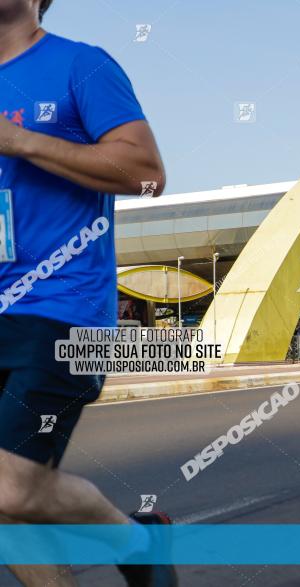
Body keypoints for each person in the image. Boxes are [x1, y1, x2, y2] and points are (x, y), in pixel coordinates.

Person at [0, 1, 176, 585]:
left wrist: (21, 142)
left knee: (8, 486)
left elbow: (148, 174)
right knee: (6, 507)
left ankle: (137, 539)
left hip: (62, 311)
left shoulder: (81, 65)